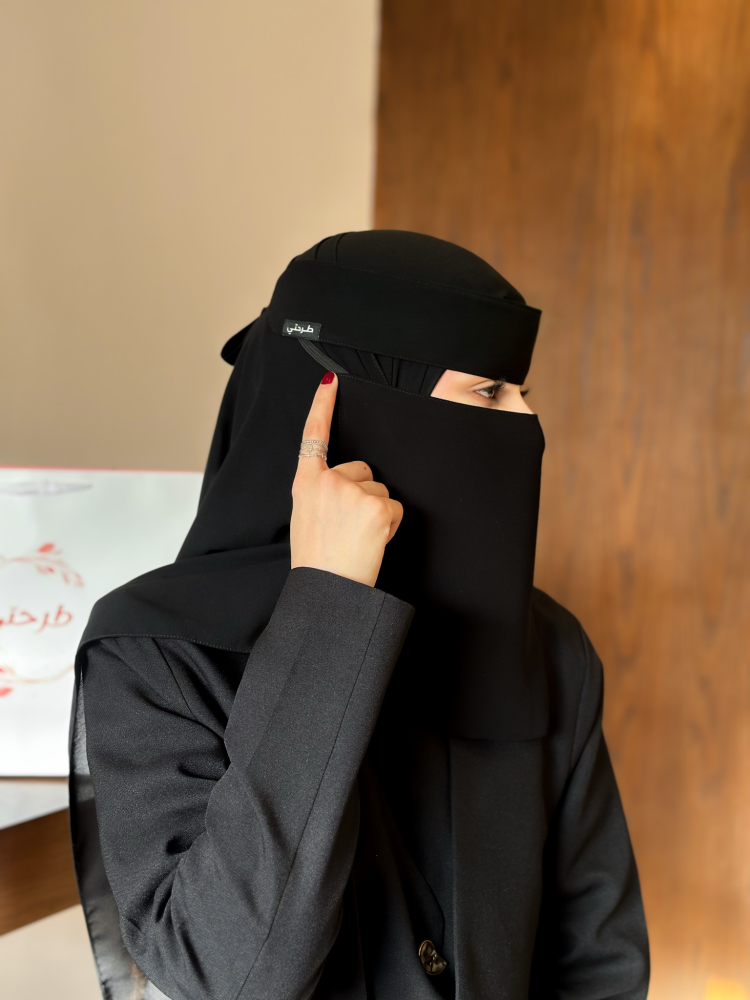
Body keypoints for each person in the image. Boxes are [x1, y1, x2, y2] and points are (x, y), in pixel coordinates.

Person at [69, 230, 649, 1000]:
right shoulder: (157, 654)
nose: (527, 418)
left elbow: (600, 964)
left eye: (521, 391)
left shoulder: (546, 649)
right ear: (365, 403)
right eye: (490, 392)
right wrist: (328, 608)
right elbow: (232, 976)